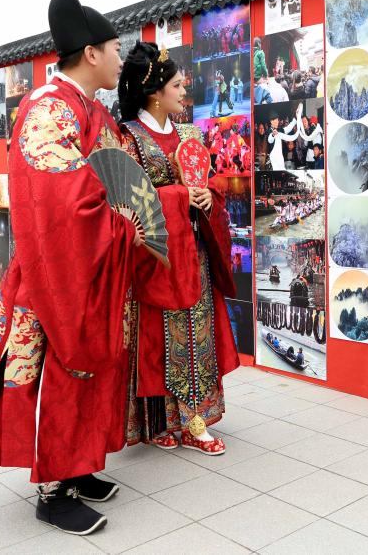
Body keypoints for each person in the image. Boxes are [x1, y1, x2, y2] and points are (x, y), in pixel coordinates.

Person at [0, 0, 141, 536]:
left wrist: (130, 215)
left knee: (92, 366)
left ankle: (79, 466)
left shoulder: (89, 108)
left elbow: (118, 179)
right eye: (115, 49)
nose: (120, 58)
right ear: (91, 53)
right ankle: (53, 490)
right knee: (60, 370)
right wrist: (120, 222)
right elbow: (62, 201)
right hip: (57, 270)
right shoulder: (48, 108)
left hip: (92, 265)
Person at [117, 43, 240, 457]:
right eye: (176, 85)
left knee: (195, 331)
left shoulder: (189, 135)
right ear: (155, 92)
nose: (184, 91)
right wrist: (180, 196)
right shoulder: (130, 138)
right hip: (156, 257)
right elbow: (129, 201)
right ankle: (161, 422)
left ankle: (194, 421)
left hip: (194, 252)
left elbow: (210, 180)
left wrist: (208, 197)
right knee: (156, 337)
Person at [268, 105, 301, 171]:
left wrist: (296, 118)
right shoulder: (269, 131)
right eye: (275, 121)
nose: (277, 122)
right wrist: (273, 135)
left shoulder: (279, 130)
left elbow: (288, 128)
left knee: (282, 171)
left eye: (277, 120)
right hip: (274, 156)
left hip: (280, 156)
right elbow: (270, 140)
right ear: (271, 121)